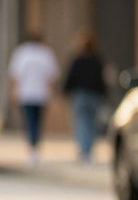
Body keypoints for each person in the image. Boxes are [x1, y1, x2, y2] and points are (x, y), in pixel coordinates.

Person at [8, 32, 59, 166]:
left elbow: (15, 75)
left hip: (26, 93)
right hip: (41, 94)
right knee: (38, 122)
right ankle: (35, 148)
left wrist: (14, 92)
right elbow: (51, 76)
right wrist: (52, 93)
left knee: (30, 121)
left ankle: (32, 149)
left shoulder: (22, 53)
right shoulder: (46, 53)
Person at [62, 32, 107, 164]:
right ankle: (89, 150)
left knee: (81, 122)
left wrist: (65, 91)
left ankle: (84, 151)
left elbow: (71, 77)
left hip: (80, 95)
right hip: (95, 95)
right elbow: (101, 80)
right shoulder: (98, 60)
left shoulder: (77, 60)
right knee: (92, 123)